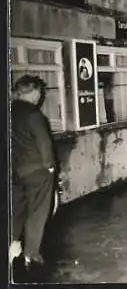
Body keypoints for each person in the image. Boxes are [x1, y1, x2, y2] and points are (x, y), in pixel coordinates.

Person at [10, 75, 57, 271]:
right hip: (37, 172)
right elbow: (44, 145)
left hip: (15, 170)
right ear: (34, 92)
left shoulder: (10, 111)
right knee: (37, 213)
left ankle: (11, 244)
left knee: (16, 210)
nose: (41, 96)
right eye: (40, 92)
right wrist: (51, 168)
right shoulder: (35, 115)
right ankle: (32, 254)